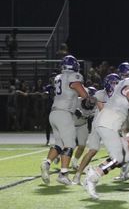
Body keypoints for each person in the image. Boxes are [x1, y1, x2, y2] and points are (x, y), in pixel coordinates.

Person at [83, 66, 129, 199]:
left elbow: (127, 100)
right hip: (110, 120)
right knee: (118, 157)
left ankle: (94, 173)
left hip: (111, 120)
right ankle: (93, 175)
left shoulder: (126, 81)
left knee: (124, 156)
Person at [40, 55, 91, 185]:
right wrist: (87, 96)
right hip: (65, 113)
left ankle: (46, 163)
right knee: (70, 145)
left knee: (59, 144)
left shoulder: (58, 77)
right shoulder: (74, 76)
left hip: (54, 113)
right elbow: (82, 92)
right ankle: (63, 174)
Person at [72, 73, 121, 185]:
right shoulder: (100, 94)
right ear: (108, 84)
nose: (116, 85)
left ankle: (96, 172)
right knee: (93, 150)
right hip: (99, 125)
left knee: (118, 153)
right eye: (114, 83)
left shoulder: (118, 96)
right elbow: (103, 109)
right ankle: (78, 175)